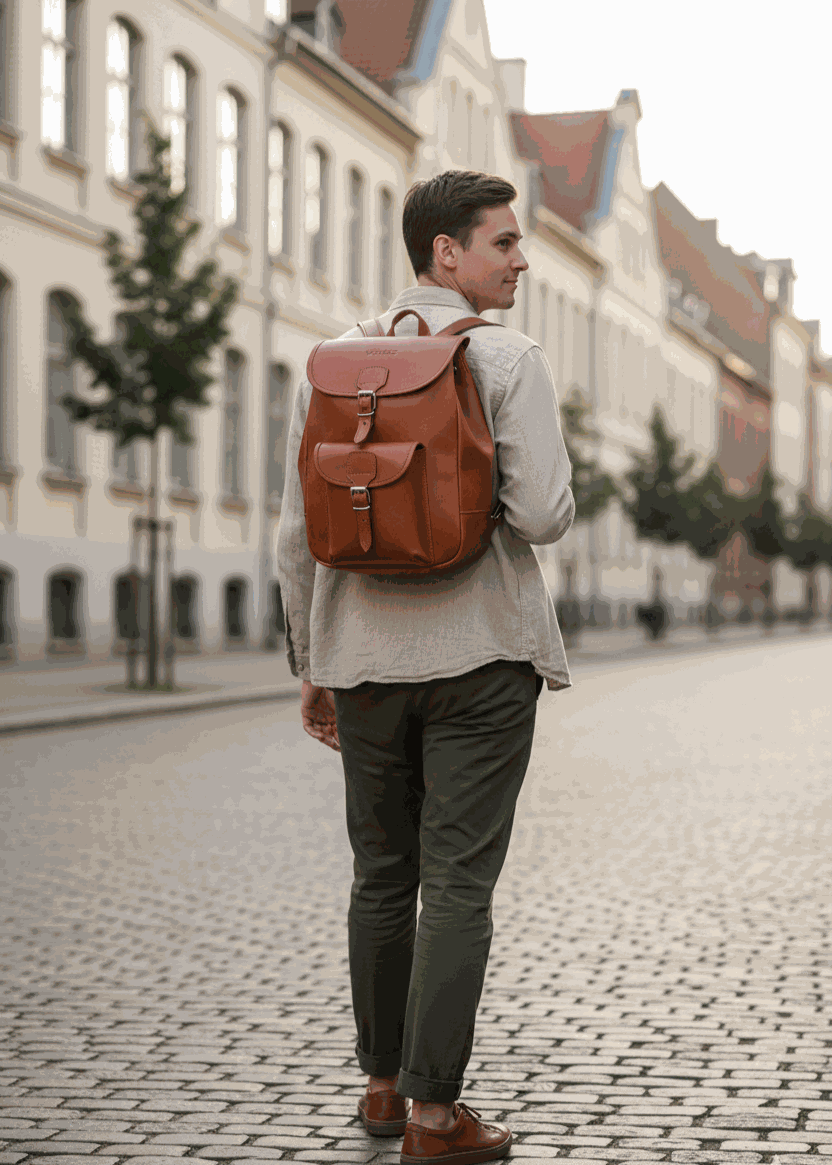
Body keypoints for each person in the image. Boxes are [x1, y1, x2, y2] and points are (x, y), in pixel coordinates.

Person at [276, 169, 575, 1165]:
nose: (519, 259)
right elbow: (540, 516)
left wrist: (309, 659)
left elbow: (298, 532)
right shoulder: (506, 356)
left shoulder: (336, 361)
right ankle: (435, 1117)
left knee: (380, 873)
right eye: (502, 242)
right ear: (446, 253)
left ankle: (377, 1085)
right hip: (480, 656)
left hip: (359, 655)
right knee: (455, 881)